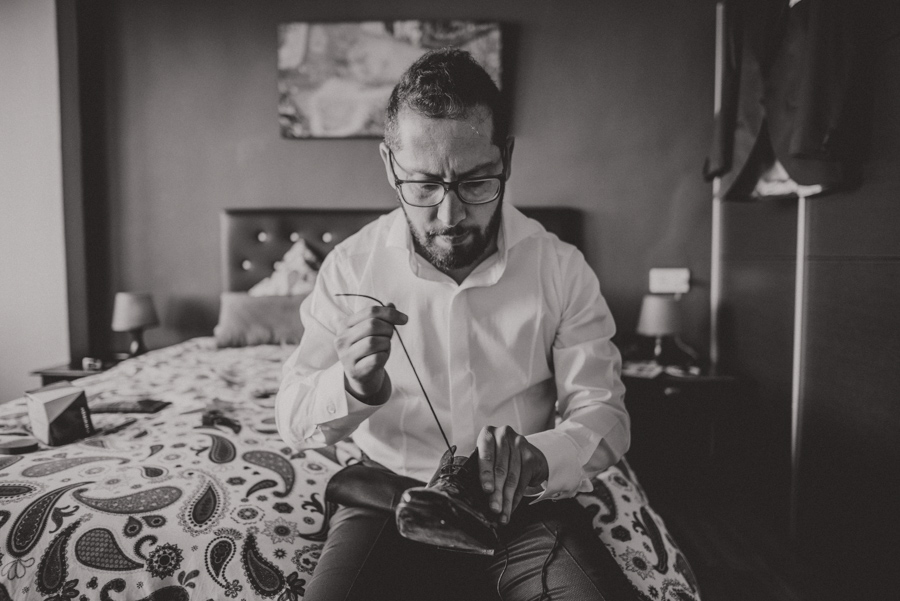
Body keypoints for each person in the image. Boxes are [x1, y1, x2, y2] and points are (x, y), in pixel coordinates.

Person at [276, 48, 636, 601]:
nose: (450, 216)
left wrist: (541, 458)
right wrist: (352, 387)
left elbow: (605, 414)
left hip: (525, 508)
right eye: (422, 185)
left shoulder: (560, 268)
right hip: (388, 501)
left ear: (506, 159)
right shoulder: (350, 266)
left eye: (475, 182)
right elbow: (293, 420)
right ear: (389, 163)